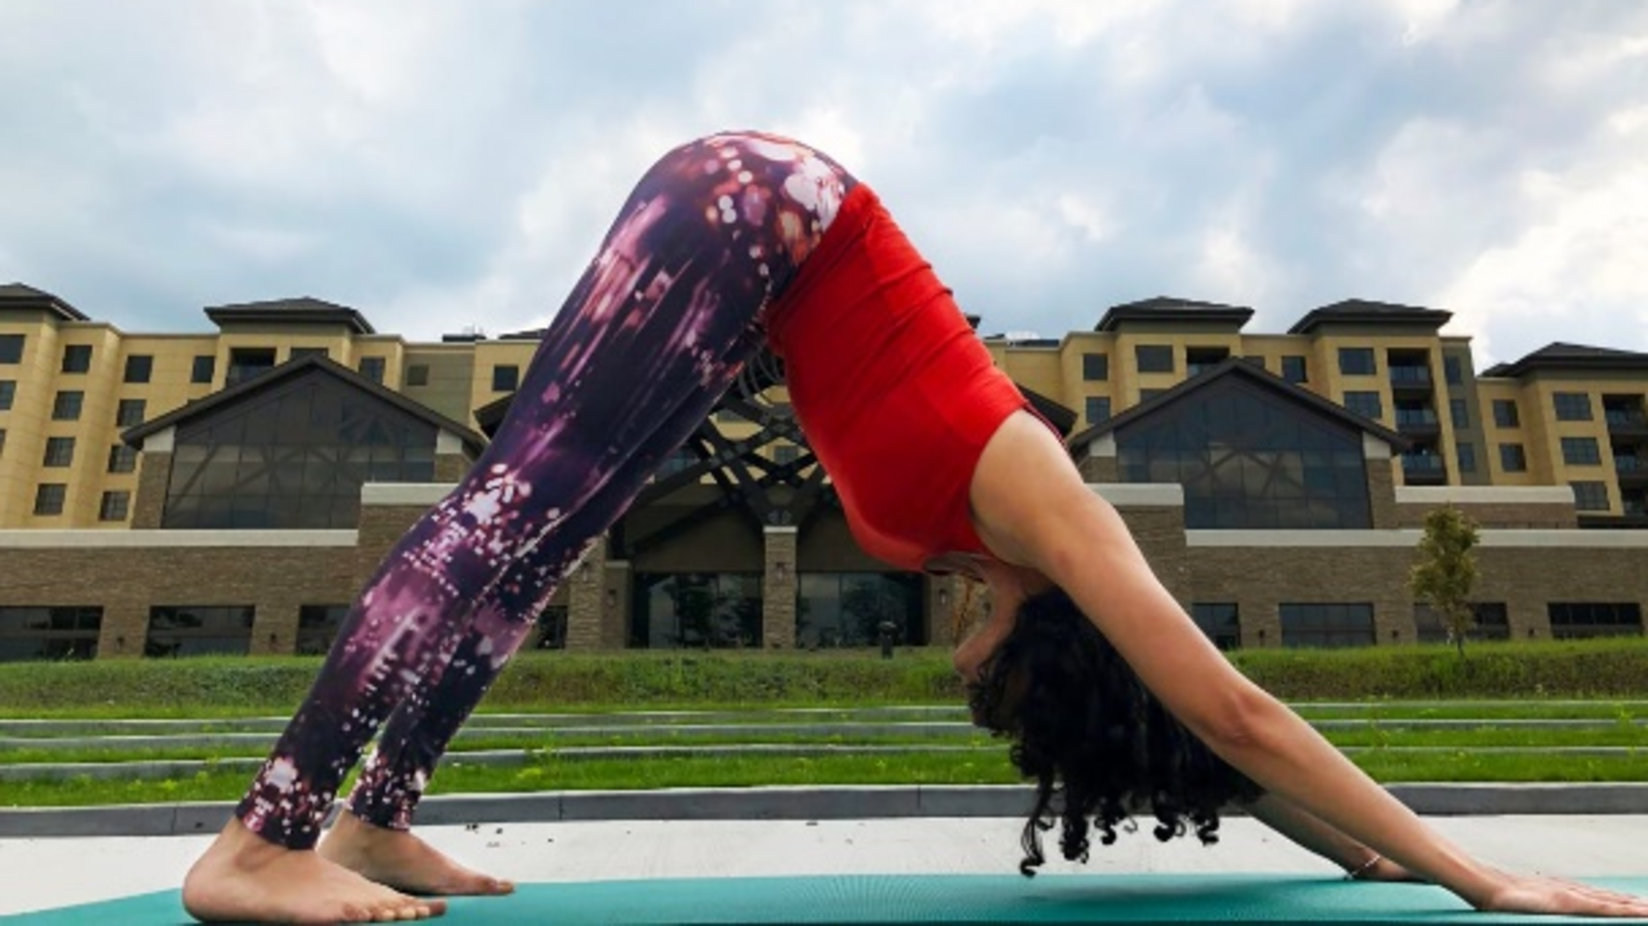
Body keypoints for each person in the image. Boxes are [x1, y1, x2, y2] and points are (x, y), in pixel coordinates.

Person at [181, 131, 1648, 923]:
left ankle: (378, 820)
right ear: (1050, 623)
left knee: (544, 543)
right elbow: (1233, 702)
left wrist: (1355, 858)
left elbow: (1193, 743)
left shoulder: (977, 542)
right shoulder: (1042, 499)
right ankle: (264, 835)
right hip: (757, 209)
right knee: (513, 504)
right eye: (999, 670)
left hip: (757, 275)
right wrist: (1472, 866)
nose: (964, 673)